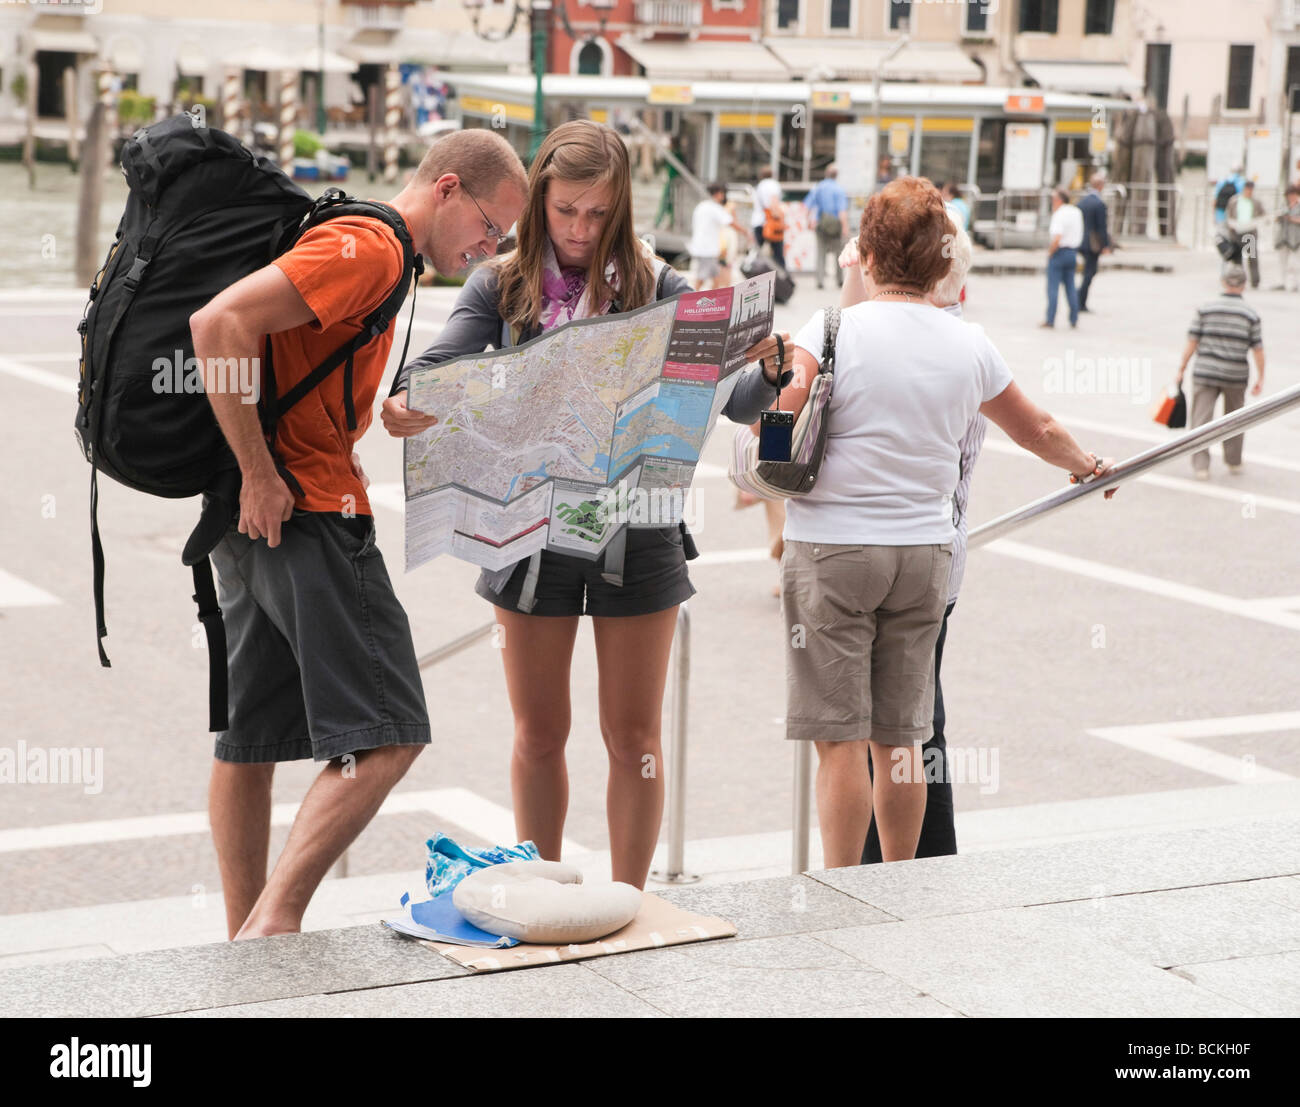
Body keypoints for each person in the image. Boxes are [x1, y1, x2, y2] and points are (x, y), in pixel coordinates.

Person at [381, 120, 794, 889]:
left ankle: (629, 902)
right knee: (539, 734)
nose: (579, 230)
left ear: (622, 210)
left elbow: (733, 400)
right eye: (566, 211)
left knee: (633, 734)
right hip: (528, 537)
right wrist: (410, 399)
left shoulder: (659, 287)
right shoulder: (499, 284)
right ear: (539, 203)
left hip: (636, 535)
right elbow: (436, 367)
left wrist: (770, 371)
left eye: (598, 214)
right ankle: (543, 894)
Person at [189, 129, 528, 940]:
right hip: (301, 510)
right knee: (390, 729)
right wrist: (266, 469)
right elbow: (218, 325)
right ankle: (273, 924)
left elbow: (285, 356)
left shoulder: (372, 245)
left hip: (249, 513)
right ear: (446, 189)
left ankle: (246, 938)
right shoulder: (372, 247)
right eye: (490, 227)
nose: (491, 248)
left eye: (505, 240)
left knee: (251, 738)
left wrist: (355, 421)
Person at [769, 177, 1116, 868]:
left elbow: (779, 419)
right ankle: (904, 885)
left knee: (841, 740)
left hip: (834, 547)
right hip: (924, 555)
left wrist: (774, 435)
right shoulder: (970, 344)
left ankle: (843, 887)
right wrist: (1084, 462)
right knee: (901, 736)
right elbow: (1036, 427)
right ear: (940, 262)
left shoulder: (832, 328)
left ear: (867, 254)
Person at [1175, 262, 1265, 479]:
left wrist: (1181, 368)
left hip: (1206, 372)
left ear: (1223, 282)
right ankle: (1233, 461)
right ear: (1243, 285)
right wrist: (1260, 377)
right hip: (1235, 375)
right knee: (1235, 420)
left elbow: (1192, 341)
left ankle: (1201, 466)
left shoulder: (1206, 308)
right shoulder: (1250, 314)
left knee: (1201, 420)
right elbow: (1258, 349)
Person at [689, 181, 751, 291]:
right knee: (702, 278)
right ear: (718, 193)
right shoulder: (714, 208)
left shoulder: (701, 206)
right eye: (723, 193)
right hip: (707, 250)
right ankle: (690, 300)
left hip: (702, 247)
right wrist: (746, 232)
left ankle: (714, 300)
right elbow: (730, 222)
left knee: (716, 278)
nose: (723, 196)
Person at [805, 163, 850, 290]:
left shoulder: (818, 187)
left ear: (826, 174)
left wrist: (808, 221)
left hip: (821, 225)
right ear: (836, 176)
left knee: (821, 252)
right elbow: (842, 212)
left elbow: (808, 206)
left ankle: (820, 280)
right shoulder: (839, 190)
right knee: (838, 253)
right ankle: (839, 280)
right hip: (835, 226)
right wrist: (845, 228)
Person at [1042, 188, 1082, 329]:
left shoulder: (1059, 214)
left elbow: (1057, 237)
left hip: (1059, 252)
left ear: (1059, 200)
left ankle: (1050, 319)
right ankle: (1074, 318)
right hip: (1072, 252)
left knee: (1052, 288)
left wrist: (1050, 252)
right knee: (1070, 286)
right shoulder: (1076, 212)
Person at [1076, 173, 1112, 312]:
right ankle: (1079, 300)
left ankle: (1079, 299)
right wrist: (1106, 245)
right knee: (1089, 273)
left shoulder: (1082, 202)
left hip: (1081, 241)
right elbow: (1102, 227)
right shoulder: (1099, 204)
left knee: (1087, 271)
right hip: (1093, 243)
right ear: (1100, 186)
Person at [1225, 180, 1265, 289]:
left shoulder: (1255, 202)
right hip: (1236, 231)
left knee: (1252, 257)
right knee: (1237, 258)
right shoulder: (1234, 200)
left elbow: (1262, 214)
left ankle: (1254, 281)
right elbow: (1228, 214)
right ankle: (1238, 279)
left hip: (1249, 232)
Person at [751, 170, 785, 268]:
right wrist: (780, 219)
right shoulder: (774, 185)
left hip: (758, 221)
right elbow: (773, 204)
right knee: (778, 254)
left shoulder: (760, 186)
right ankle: (781, 278)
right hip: (770, 224)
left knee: (758, 252)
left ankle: (755, 276)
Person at [1273, 185, 1300, 291]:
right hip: (1283, 237)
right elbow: (1275, 218)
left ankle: (1295, 283)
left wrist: (1291, 218)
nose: (1291, 197)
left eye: (1293, 194)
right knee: (1282, 261)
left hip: (1296, 238)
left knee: (1295, 262)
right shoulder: (1283, 205)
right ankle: (1282, 282)